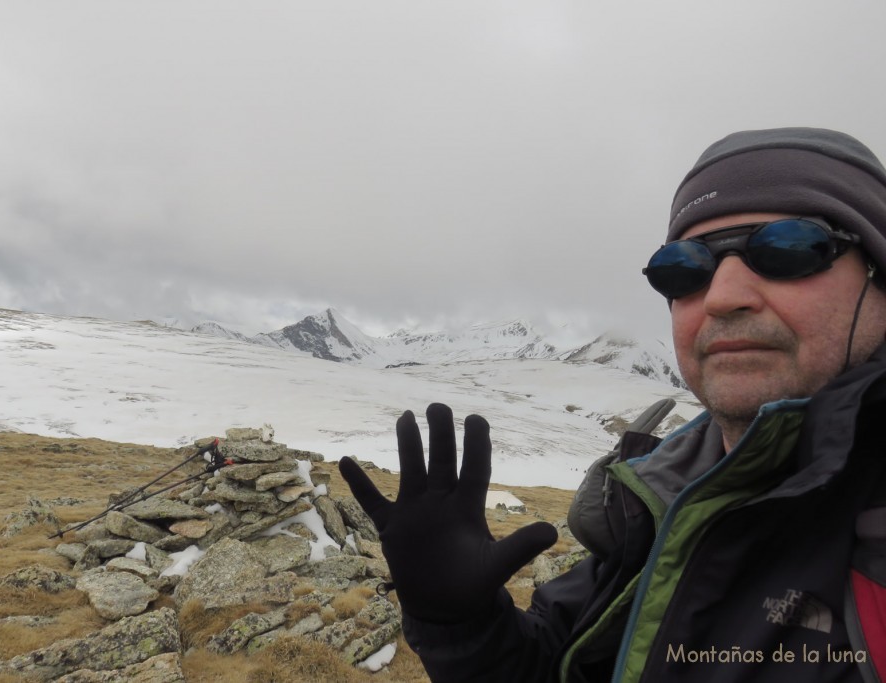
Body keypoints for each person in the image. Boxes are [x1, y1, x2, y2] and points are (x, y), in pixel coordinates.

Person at [340, 127, 886, 682]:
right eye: (685, 267)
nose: (721, 296)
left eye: (788, 247)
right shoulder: (660, 507)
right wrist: (460, 626)